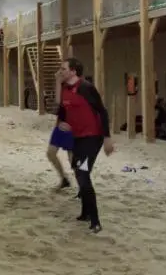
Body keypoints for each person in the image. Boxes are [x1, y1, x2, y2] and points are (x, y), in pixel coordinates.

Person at [57, 57, 114, 234]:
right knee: (79, 172)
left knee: (82, 174)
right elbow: (63, 109)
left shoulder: (86, 88)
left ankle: (95, 221)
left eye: (64, 69)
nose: (61, 71)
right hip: (76, 137)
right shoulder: (64, 88)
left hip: (92, 137)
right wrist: (62, 123)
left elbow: (102, 111)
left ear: (73, 71)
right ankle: (85, 213)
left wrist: (107, 138)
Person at [47, 69, 74, 191]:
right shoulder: (62, 86)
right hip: (60, 125)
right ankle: (64, 179)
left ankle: (84, 187)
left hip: (71, 126)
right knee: (51, 153)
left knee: (72, 160)